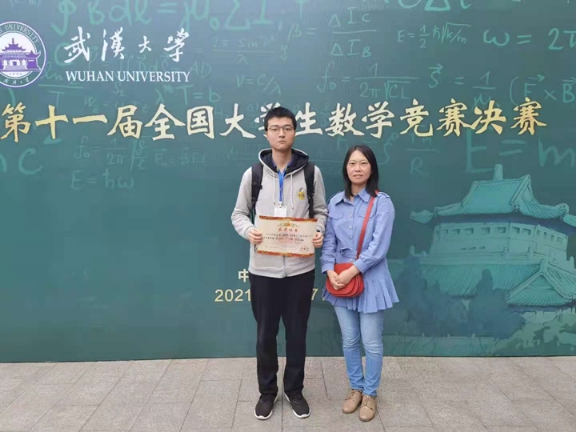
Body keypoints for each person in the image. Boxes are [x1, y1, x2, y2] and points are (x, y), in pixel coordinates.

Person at [231, 106, 328, 420]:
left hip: (300, 270)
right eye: (275, 128)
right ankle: (267, 392)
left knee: (297, 334)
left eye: (287, 127)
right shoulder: (254, 175)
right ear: (266, 134)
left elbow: (321, 212)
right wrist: (250, 231)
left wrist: (318, 231)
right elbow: (238, 214)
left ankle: (294, 390)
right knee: (265, 335)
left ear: (295, 131)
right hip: (263, 270)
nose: (281, 133)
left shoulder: (311, 173)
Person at [320, 144, 398, 422]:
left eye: (363, 163)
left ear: (372, 168)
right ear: (346, 168)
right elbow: (328, 242)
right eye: (352, 163)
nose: (357, 168)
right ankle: (355, 388)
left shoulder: (382, 203)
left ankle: (370, 394)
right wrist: (329, 270)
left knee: (371, 342)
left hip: (370, 280)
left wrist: (352, 271)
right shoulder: (335, 202)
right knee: (350, 339)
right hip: (340, 281)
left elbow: (378, 248)